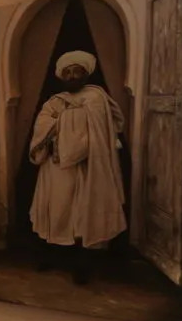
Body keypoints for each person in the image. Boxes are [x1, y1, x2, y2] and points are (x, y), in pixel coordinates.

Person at [29, 50, 126, 284]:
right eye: (67, 73)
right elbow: (43, 123)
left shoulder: (96, 97)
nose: (72, 76)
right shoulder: (55, 100)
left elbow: (108, 125)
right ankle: (52, 256)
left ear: (86, 74)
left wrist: (63, 120)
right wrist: (70, 120)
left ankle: (82, 265)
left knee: (82, 216)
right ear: (61, 76)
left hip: (88, 167)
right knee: (56, 213)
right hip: (55, 169)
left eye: (77, 72)